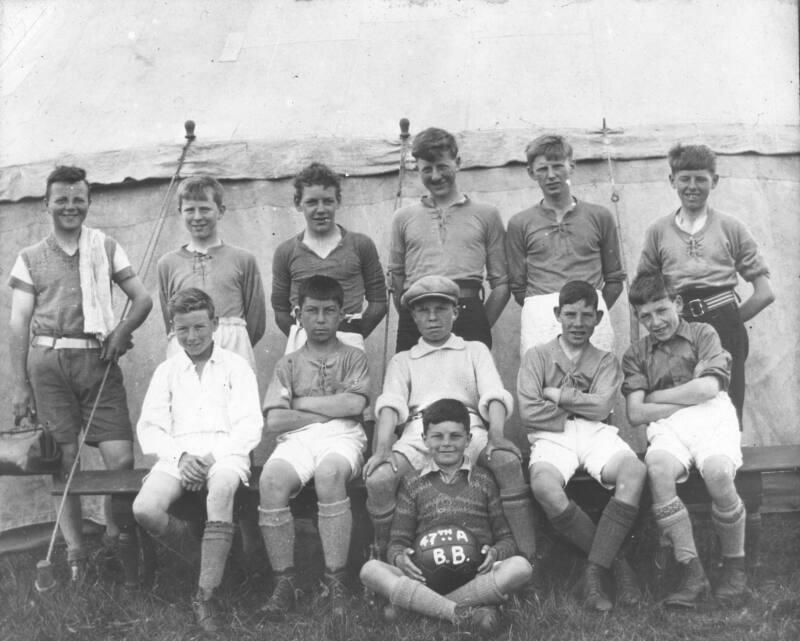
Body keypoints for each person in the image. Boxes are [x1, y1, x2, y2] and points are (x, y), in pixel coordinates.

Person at [8, 165, 153, 585]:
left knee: (120, 458)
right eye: (62, 199)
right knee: (65, 461)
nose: (70, 206)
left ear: (89, 202)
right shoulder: (30, 257)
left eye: (78, 199)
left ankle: (115, 536)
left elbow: (141, 299)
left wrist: (121, 333)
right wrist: (20, 385)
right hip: (49, 365)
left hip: (99, 362)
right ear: (46, 204)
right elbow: (19, 322)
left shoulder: (105, 247)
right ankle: (75, 555)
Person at [363, 276, 537, 567]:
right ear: (414, 316)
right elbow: (390, 405)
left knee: (507, 462)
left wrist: (497, 435)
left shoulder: (475, 350)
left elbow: (494, 395)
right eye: (423, 310)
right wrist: (382, 447)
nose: (433, 318)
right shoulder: (403, 360)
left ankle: (526, 556)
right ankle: (387, 558)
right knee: (379, 478)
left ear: (455, 312)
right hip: (420, 432)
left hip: (466, 429)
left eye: (441, 309)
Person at [133, 288, 262, 632]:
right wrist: (182, 457)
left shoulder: (236, 367)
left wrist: (209, 459)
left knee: (220, 490)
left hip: (225, 453)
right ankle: (198, 553)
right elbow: (150, 427)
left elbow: (250, 425)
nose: (191, 337)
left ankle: (205, 596)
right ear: (172, 329)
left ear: (215, 324)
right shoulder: (167, 370)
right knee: (144, 508)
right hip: (179, 455)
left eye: (199, 328)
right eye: (182, 329)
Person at [622, 272, 748, 607]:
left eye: (662, 310)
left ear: (677, 303)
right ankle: (692, 572)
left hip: (711, 416)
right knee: (658, 467)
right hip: (668, 426)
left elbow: (709, 389)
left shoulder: (703, 333)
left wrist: (656, 395)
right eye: (645, 316)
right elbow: (635, 413)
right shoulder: (636, 353)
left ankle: (734, 565)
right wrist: (686, 393)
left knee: (719, 473)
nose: (656, 321)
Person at [517, 281, 645, 611]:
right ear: (558, 314)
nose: (577, 323)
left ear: (598, 317)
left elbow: (603, 408)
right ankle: (616, 564)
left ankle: (592, 571)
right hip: (551, 436)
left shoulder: (605, 360)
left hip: (595, 432)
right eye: (570, 314)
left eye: (586, 316)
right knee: (544, 485)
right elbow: (530, 411)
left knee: (634, 471)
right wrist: (582, 403)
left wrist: (558, 395)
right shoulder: (537, 356)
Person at [360, 399, 532, 636]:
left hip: (475, 577)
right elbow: (397, 542)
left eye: (455, 436)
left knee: (521, 567)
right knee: (370, 570)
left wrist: (495, 553)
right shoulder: (412, 483)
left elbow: (506, 540)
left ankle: (424, 607)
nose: (446, 443)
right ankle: (463, 612)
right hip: (425, 576)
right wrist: (400, 559)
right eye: (437, 437)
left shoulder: (484, 480)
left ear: (469, 440)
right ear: (424, 439)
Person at [258, 275, 371, 620]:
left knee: (329, 472)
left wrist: (301, 403)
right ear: (298, 314)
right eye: (312, 311)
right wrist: (324, 410)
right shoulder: (287, 364)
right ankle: (285, 581)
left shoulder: (354, 357)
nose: (320, 320)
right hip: (298, 438)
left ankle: (335, 580)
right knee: (271, 480)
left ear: (341, 315)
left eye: (328, 311)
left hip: (343, 435)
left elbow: (354, 406)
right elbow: (275, 421)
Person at [637, 143, 774, 423]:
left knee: (727, 407)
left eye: (701, 178)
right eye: (684, 178)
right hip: (677, 328)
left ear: (715, 181)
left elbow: (765, 293)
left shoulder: (731, 227)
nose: (692, 186)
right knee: (679, 408)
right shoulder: (658, 231)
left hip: (726, 327)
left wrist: (731, 320)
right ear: (672, 180)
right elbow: (642, 292)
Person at [388, 127, 509, 351]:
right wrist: (416, 315)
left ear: (458, 162)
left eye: (442, 166)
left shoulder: (487, 214)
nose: (436, 176)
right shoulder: (402, 217)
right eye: (427, 169)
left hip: (467, 314)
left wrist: (479, 323)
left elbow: (501, 283)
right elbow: (396, 280)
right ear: (416, 169)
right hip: (417, 317)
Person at [506, 134, 626, 356]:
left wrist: (588, 310)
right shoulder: (520, 223)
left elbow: (615, 280)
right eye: (542, 169)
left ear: (571, 167)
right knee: (544, 384)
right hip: (541, 319)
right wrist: (549, 310)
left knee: (596, 383)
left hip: (589, 315)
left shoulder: (599, 216)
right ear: (531, 173)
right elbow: (518, 287)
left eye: (558, 166)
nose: (551, 175)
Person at [272, 162, 387, 352]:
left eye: (327, 201)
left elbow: (379, 302)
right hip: (303, 341)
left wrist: (353, 333)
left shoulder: (361, 245)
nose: (320, 209)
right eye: (311, 202)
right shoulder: (286, 251)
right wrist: (304, 335)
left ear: (338, 201)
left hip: (349, 338)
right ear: (298, 203)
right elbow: (280, 310)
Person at [157, 175, 266, 370]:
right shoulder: (167, 264)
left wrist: (231, 339)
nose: (197, 217)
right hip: (187, 347)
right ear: (180, 212)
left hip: (233, 347)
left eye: (205, 209)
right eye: (190, 210)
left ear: (220, 211)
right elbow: (170, 320)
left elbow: (255, 322)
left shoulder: (243, 259)